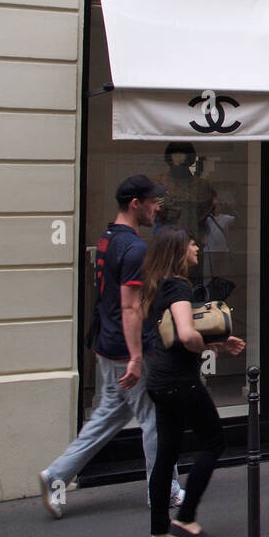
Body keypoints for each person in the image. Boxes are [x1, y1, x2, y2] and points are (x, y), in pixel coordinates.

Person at [39, 175, 183, 517]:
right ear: (136, 204)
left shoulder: (108, 238)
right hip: (126, 348)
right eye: (152, 202)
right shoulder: (135, 248)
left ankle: (56, 475)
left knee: (109, 415)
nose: (156, 208)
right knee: (155, 418)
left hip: (107, 342)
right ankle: (165, 491)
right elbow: (130, 306)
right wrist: (136, 357)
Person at [140, 227, 245, 537]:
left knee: (166, 453)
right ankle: (185, 520)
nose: (197, 247)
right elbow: (186, 335)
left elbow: (174, 333)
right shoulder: (179, 285)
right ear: (178, 250)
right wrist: (207, 347)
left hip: (158, 378)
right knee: (214, 441)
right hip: (179, 380)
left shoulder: (155, 286)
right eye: (191, 243)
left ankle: (160, 532)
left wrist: (216, 342)